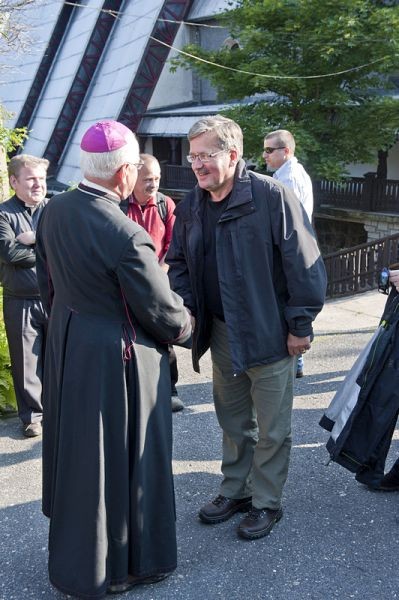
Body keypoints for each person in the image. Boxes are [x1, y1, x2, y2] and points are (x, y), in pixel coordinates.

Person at [35, 120, 192, 599]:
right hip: (117, 356)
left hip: (70, 341)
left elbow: (48, 284)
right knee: (123, 459)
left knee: (81, 454)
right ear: (124, 172)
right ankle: (126, 566)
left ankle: (79, 564)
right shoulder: (126, 233)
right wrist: (188, 326)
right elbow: (162, 312)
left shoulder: (53, 210)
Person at [167, 115, 326, 541]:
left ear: (233, 155)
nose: (196, 165)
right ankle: (236, 489)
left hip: (271, 330)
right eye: (193, 156)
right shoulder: (191, 204)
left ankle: (266, 501)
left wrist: (300, 324)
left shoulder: (271, 196)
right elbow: (178, 262)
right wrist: (190, 307)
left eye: (206, 156)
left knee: (273, 426)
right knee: (234, 419)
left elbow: (305, 264)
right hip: (221, 330)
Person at [125, 153, 184, 412]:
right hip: (129, 283)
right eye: (148, 178)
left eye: (157, 178)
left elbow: (175, 243)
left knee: (163, 338)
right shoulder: (118, 205)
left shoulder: (165, 204)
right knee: (130, 338)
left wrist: (162, 270)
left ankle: (169, 389)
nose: (154, 184)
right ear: (134, 177)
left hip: (160, 281)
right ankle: (135, 391)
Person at [0, 154, 49, 437]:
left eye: (41, 179)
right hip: (20, 299)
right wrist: (45, 247)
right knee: (26, 363)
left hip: (55, 297)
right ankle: (32, 418)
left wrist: (34, 239)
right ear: (14, 181)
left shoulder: (54, 209)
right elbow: (9, 253)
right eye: (31, 178)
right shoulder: (3, 214)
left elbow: (64, 248)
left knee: (59, 358)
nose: (37, 184)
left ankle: (58, 411)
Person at [263, 129, 314, 378]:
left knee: (288, 299)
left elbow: (289, 222)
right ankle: (297, 359)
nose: (265, 155)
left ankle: (296, 360)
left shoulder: (290, 178)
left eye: (270, 150)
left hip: (290, 249)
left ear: (286, 151)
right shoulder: (289, 173)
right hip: (294, 247)